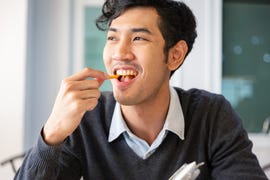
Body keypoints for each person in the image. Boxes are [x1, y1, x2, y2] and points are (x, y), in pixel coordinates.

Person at [15, 0, 267, 179]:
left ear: (175, 55)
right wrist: (52, 134)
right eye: (112, 38)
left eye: (138, 38)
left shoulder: (211, 115)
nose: (119, 53)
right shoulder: (85, 117)